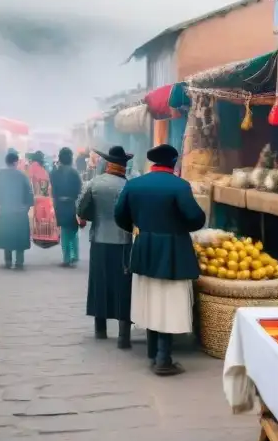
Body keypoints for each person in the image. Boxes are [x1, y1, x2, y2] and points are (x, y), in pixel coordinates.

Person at [114, 144, 205, 376]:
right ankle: (163, 358)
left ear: (153, 163)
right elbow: (195, 218)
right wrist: (178, 228)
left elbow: (120, 216)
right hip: (173, 248)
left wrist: (142, 230)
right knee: (169, 301)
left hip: (144, 246)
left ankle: (154, 353)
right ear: (173, 162)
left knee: (150, 298)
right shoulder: (180, 186)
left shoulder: (134, 185)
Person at [77, 145, 134, 348]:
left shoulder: (94, 183)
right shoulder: (129, 186)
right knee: (123, 287)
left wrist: (96, 217)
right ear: (124, 166)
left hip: (100, 239)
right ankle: (123, 336)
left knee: (99, 283)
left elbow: (82, 211)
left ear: (107, 164)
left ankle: (100, 329)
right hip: (124, 242)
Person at [0, 149, 34, 269]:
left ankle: (8, 261)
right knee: (20, 238)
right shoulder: (22, 176)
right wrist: (26, 207)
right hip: (19, 212)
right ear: (16, 162)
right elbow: (29, 194)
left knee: (7, 236)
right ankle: (19, 262)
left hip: (5, 211)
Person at [51, 147, 83, 267]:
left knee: (64, 231)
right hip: (72, 204)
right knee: (73, 230)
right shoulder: (74, 173)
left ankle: (66, 258)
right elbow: (79, 189)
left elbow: (53, 190)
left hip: (59, 204)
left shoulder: (55, 172)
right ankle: (75, 255)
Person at [27, 151, 61, 249]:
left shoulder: (32, 167)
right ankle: (45, 236)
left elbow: (30, 181)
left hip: (36, 196)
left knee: (37, 217)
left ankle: (38, 235)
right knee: (45, 216)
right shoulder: (40, 168)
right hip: (43, 196)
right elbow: (45, 183)